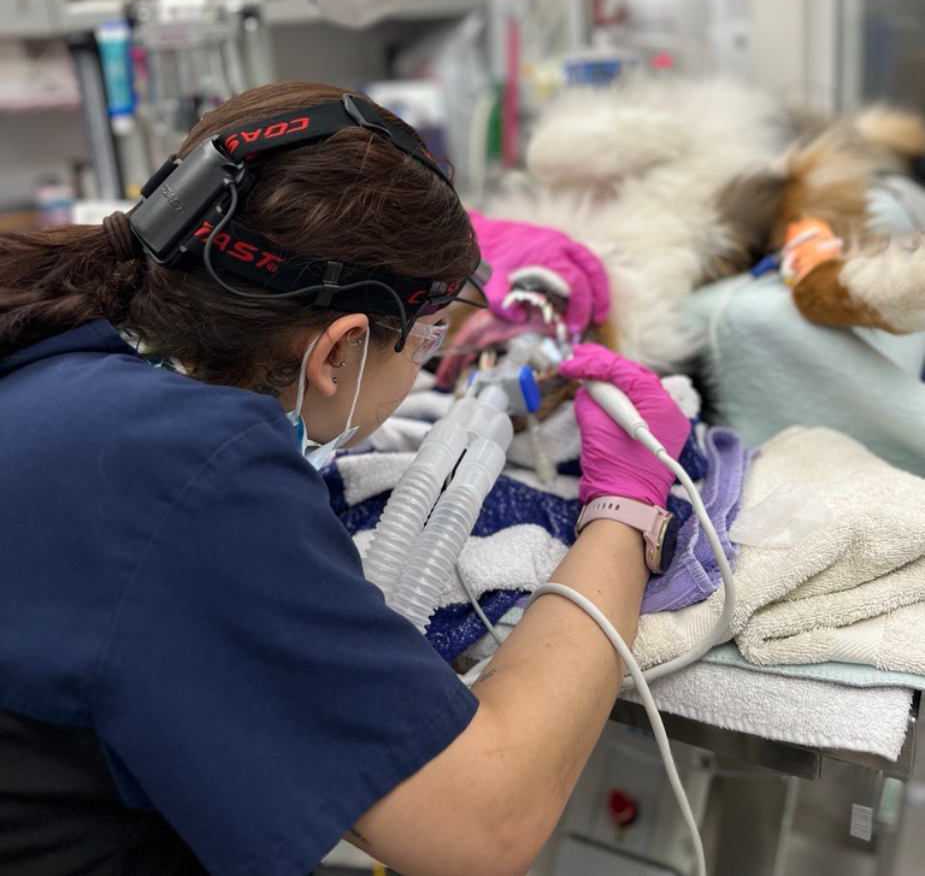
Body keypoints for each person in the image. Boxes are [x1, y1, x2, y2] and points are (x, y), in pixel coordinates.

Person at [0, 82, 689, 876]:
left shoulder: (53, 352)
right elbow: (483, 825)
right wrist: (624, 510)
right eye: (429, 339)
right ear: (336, 351)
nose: (431, 361)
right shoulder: (192, 468)